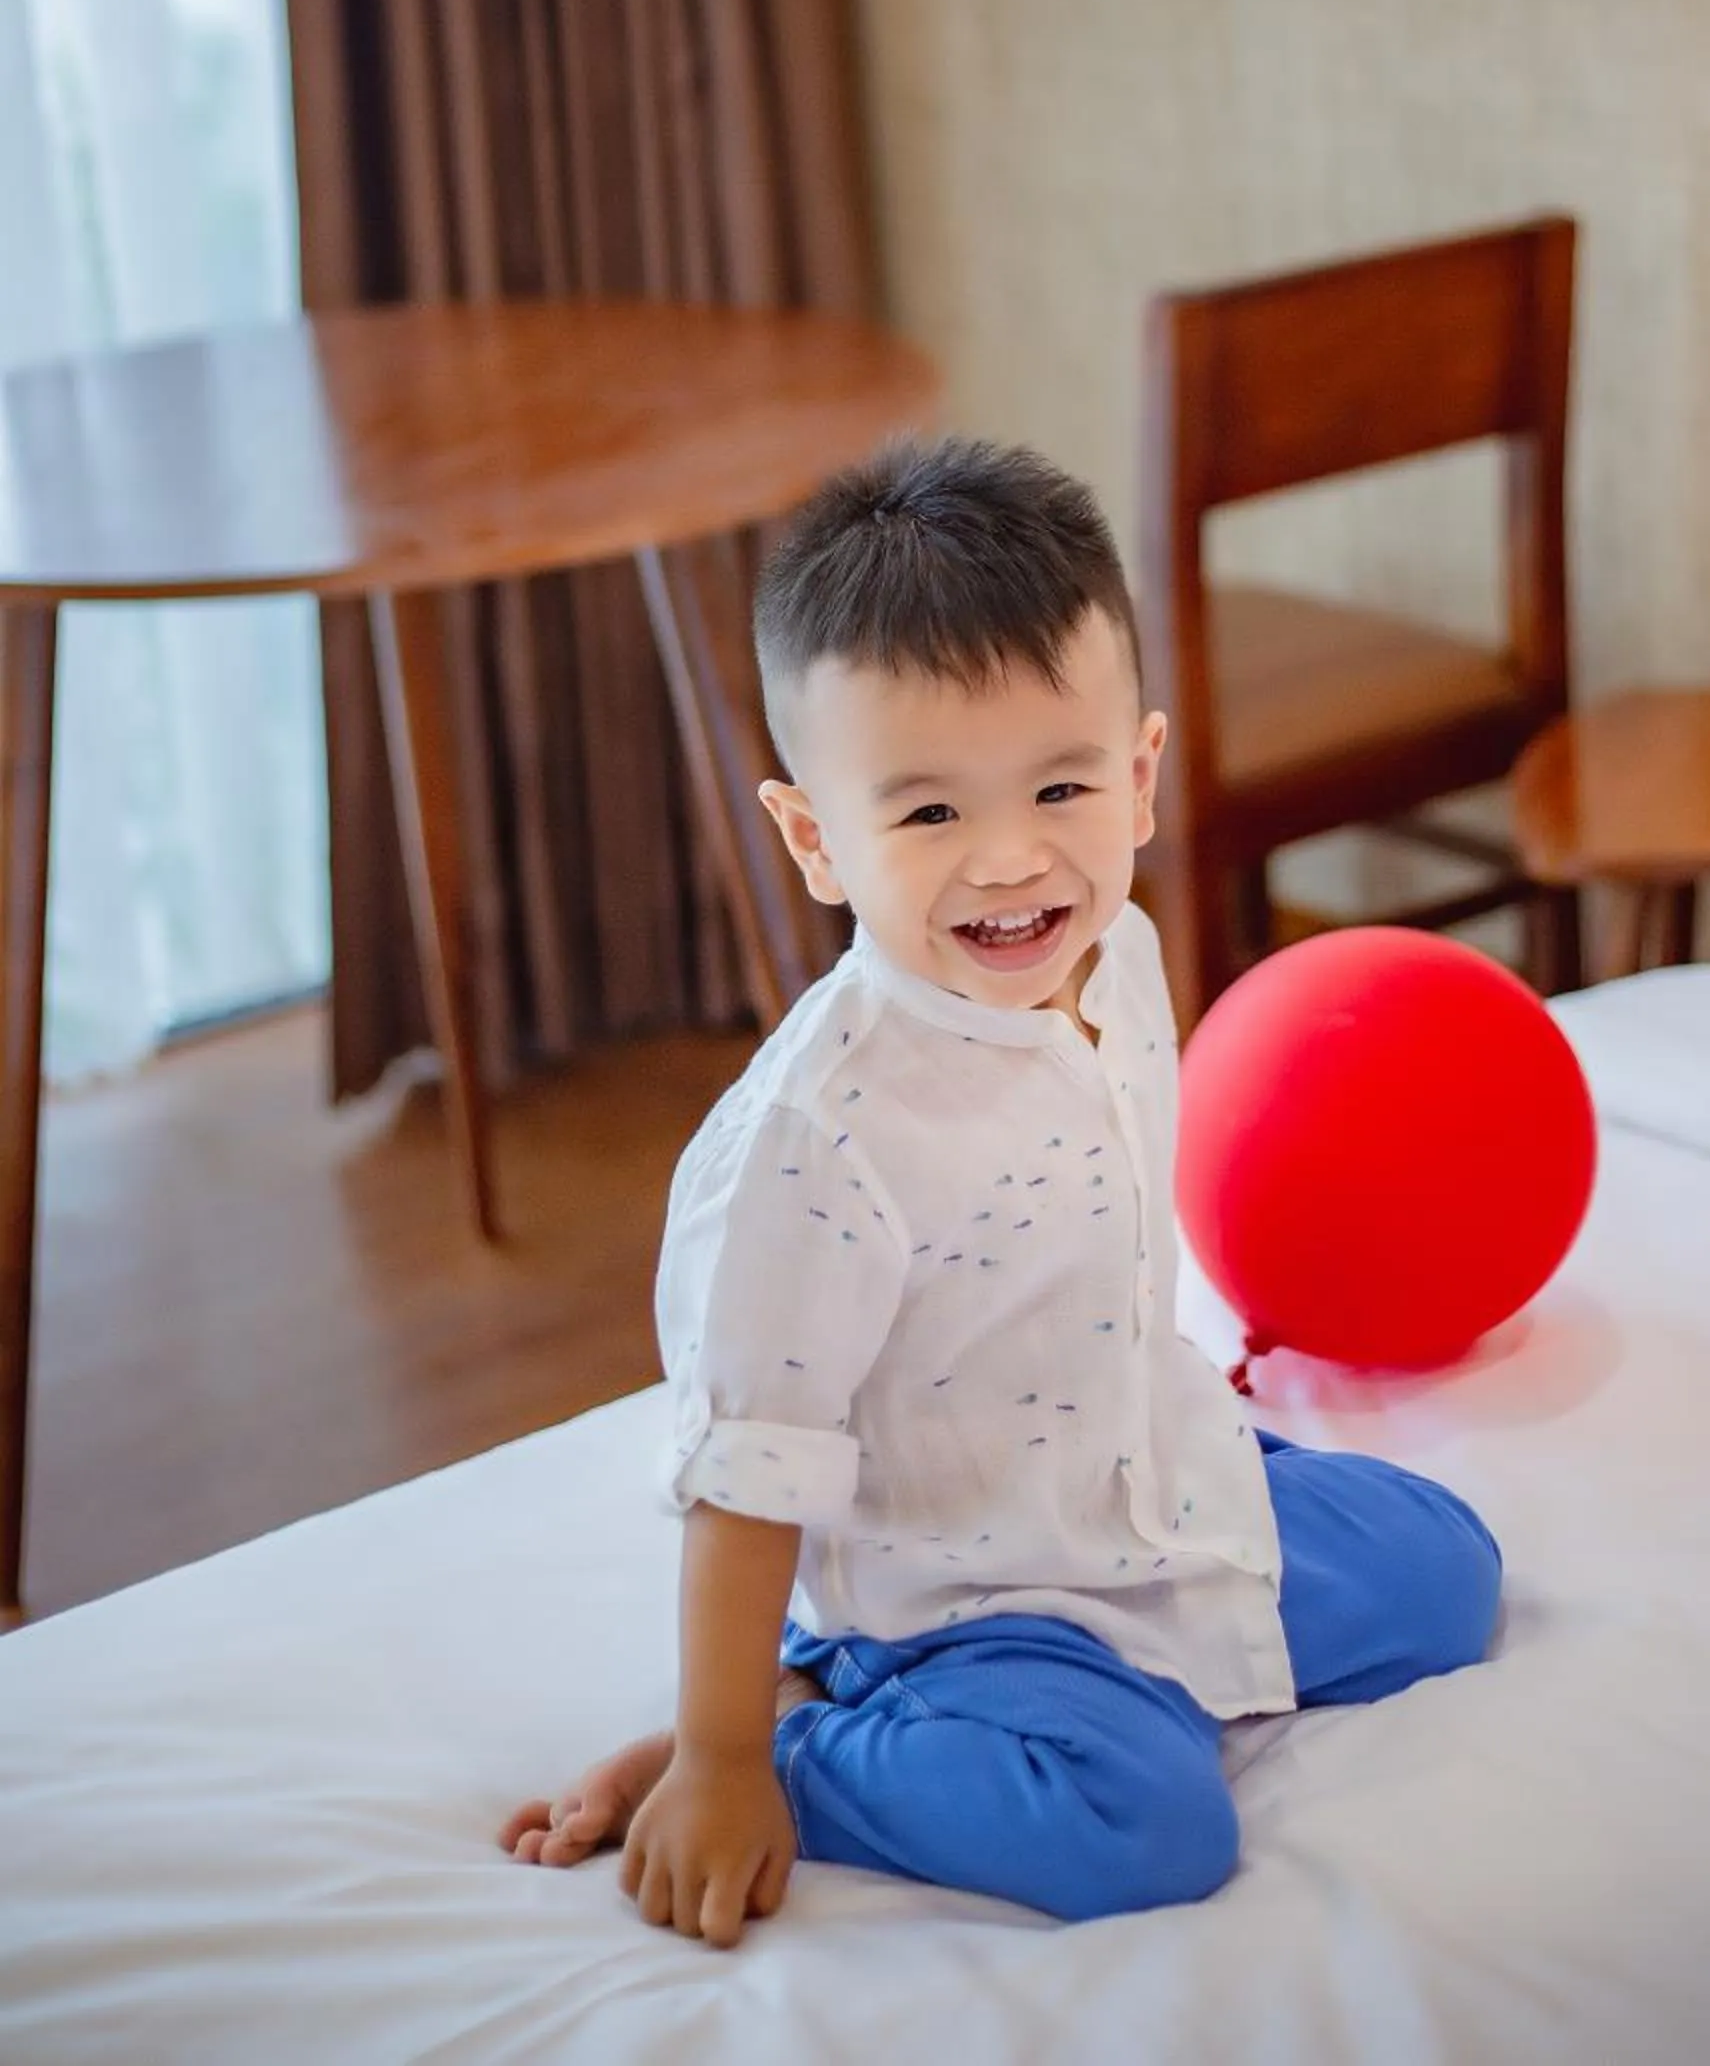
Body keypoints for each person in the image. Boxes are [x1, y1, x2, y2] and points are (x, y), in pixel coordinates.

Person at [501, 435, 1501, 1944]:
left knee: (1447, 1572)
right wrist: (720, 1763)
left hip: (1142, 1485)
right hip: (964, 1600)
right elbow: (750, 1470)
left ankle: (1175, 1599)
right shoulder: (818, 1140)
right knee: (1141, 1828)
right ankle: (813, 1730)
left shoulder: (1120, 953)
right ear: (815, 839)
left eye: (1060, 784)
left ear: (1139, 778)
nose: (1012, 860)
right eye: (927, 815)